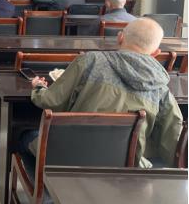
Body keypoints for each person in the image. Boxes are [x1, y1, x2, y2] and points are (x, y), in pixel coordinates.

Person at [23, 18, 182, 168]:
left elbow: (51, 101)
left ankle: (43, 184)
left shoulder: (90, 61)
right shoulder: (161, 89)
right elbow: (173, 141)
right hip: (125, 172)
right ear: (155, 52)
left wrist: (38, 88)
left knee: (26, 136)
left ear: (120, 37)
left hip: (69, 160)